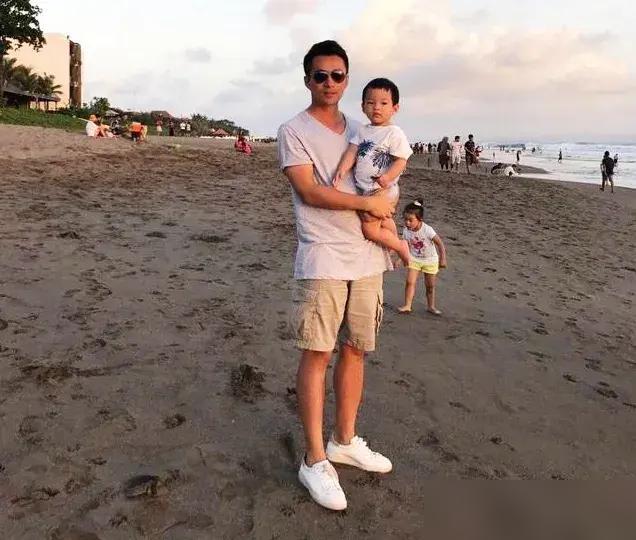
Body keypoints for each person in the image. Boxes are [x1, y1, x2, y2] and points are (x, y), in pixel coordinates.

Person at [277, 40, 394, 512]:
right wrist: (368, 204)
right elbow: (309, 191)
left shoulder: (363, 128)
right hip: (323, 254)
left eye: (338, 75)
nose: (329, 83)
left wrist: (385, 208)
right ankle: (314, 459)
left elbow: (383, 171)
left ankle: (344, 440)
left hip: (366, 256)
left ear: (347, 79)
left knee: (356, 348)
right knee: (318, 352)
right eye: (320, 75)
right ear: (307, 79)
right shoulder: (293, 130)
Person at [333, 77, 412, 266]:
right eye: (370, 103)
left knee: (369, 229)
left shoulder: (394, 133)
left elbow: (401, 160)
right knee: (383, 220)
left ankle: (400, 246)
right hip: (366, 189)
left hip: (383, 189)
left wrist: (387, 177)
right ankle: (394, 244)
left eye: (383, 103)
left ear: (395, 108)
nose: (376, 107)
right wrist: (342, 169)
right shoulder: (362, 131)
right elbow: (352, 151)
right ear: (363, 107)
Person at [398, 199, 447, 315]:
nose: (407, 223)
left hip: (430, 260)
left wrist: (443, 258)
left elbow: (440, 244)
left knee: (430, 286)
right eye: (405, 219)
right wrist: (400, 259)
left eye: (410, 220)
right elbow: (405, 246)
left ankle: (431, 306)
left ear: (420, 219)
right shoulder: (406, 231)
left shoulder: (427, 230)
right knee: (410, 282)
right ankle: (407, 305)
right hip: (414, 259)